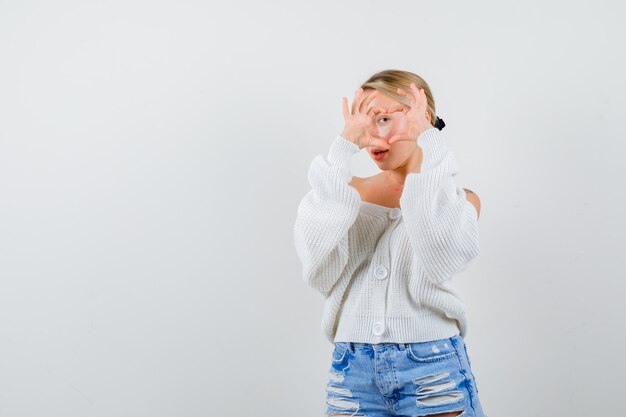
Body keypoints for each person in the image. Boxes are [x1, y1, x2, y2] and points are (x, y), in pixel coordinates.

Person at [293, 69, 486, 417]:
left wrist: (429, 140)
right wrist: (341, 148)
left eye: (383, 118)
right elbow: (318, 271)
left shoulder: (457, 200)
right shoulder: (342, 195)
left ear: (423, 116)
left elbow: (441, 258)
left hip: (431, 366)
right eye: (362, 123)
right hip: (352, 371)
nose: (371, 137)